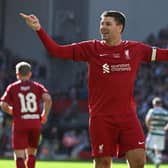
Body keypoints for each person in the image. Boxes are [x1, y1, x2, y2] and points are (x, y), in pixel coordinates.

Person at [20, 10, 168, 168]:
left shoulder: (135, 49)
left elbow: (163, 54)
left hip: (127, 116)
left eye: (108, 24)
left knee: (139, 161)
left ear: (120, 27)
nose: (103, 27)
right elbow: (56, 51)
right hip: (101, 118)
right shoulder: (91, 48)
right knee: (103, 164)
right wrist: (38, 29)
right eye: (102, 23)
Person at [0, 61, 52, 168]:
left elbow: (3, 104)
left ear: (17, 74)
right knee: (32, 154)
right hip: (34, 123)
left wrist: (11, 111)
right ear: (30, 74)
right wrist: (44, 115)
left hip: (20, 123)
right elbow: (48, 99)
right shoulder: (37, 86)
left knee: (19, 156)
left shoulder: (12, 87)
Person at [145, 97, 168, 168]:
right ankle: (157, 164)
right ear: (160, 104)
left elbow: (147, 119)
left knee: (147, 148)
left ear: (154, 104)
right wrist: (166, 128)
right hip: (161, 133)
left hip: (153, 132)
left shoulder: (152, 111)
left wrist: (149, 127)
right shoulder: (165, 112)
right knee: (158, 150)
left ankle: (156, 160)